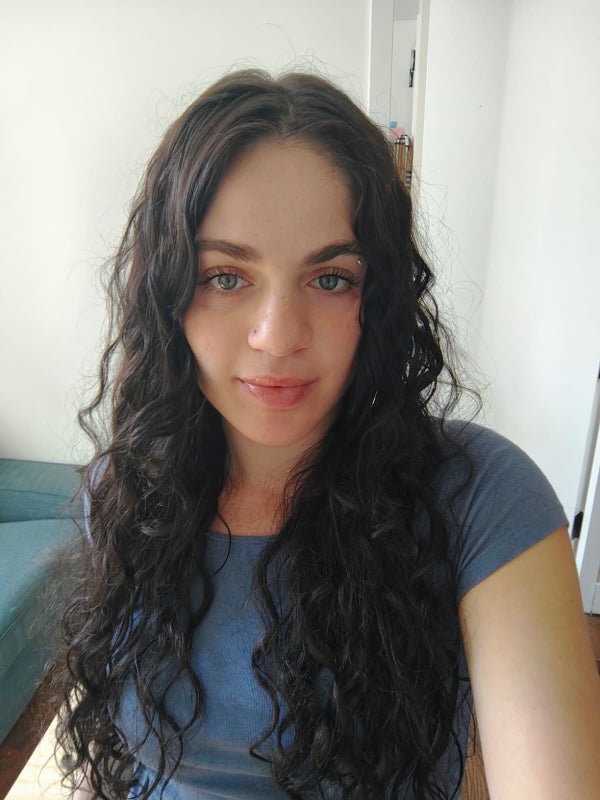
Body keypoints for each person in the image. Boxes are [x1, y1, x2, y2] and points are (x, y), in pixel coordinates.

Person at [56, 69, 600, 799]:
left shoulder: (481, 499)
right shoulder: (124, 488)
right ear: (168, 293)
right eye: (226, 276)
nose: (278, 337)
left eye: (331, 278)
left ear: (379, 297)